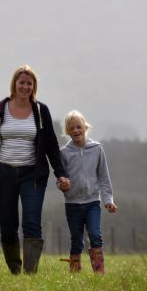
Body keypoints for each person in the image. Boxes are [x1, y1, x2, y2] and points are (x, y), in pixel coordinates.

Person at [0, 64, 70, 275]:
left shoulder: (41, 111)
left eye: (29, 83)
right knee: (8, 227)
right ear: (14, 85)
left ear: (34, 87)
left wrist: (61, 173)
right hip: (3, 175)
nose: (25, 86)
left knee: (32, 223)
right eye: (21, 82)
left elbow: (51, 145)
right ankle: (15, 271)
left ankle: (30, 273)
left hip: (32, 175)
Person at [60, 110, 117, 274]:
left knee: (95, 234)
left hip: (92, 202)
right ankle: (74, 274)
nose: (76, 131)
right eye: (72, 128)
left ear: (85, 127)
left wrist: (108, 201)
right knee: (76, 241)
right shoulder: (64, 153)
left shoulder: (97, 149)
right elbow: (60, 178)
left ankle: (99, 273)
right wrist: (62, 185)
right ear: (67, 131)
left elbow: (104, 178)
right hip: (72, 204)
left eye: (78, 127)